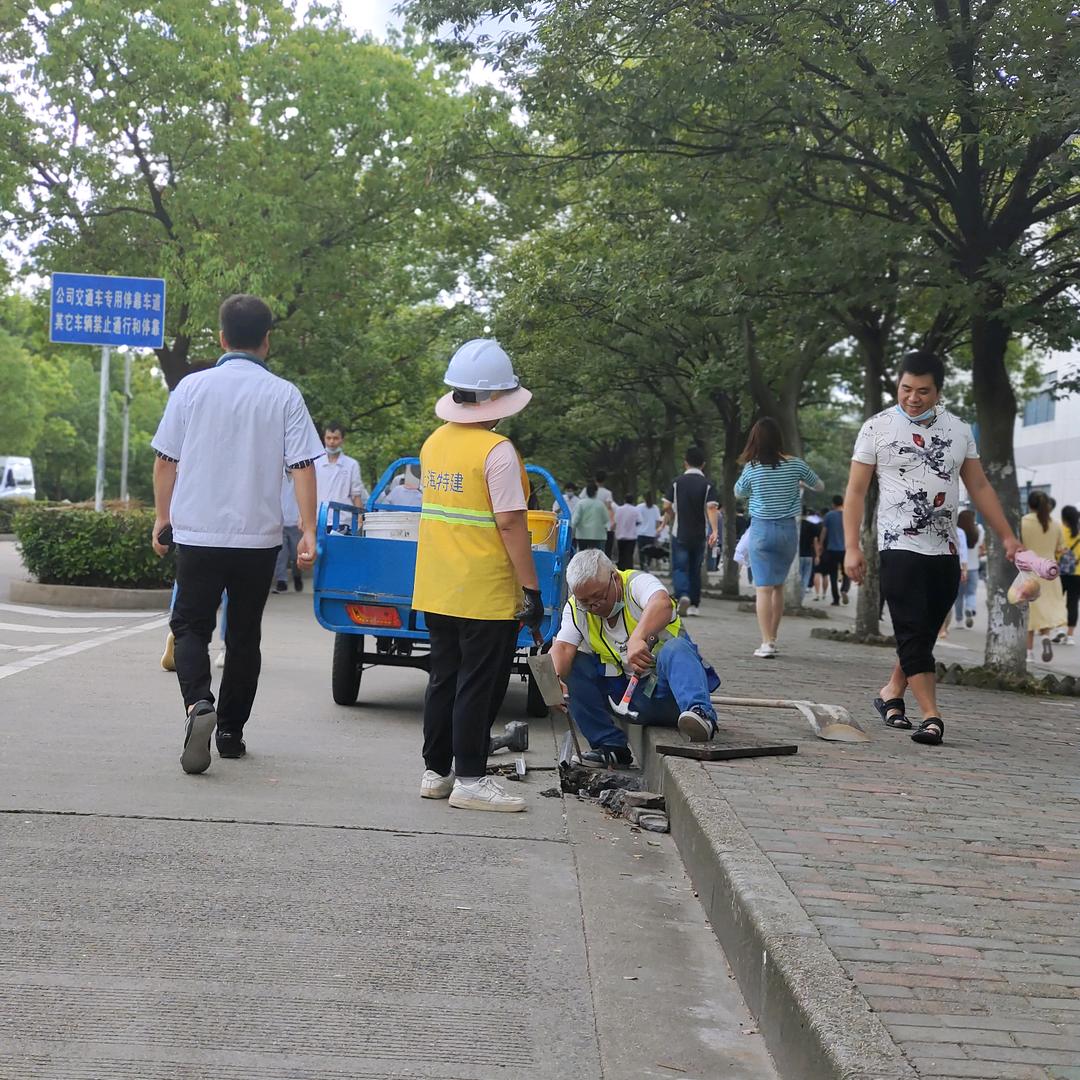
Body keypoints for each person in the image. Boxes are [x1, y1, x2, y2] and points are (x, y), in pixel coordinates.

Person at [152, 294, 323, 774]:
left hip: (198, 534)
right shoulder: (284, 394)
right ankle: (230, 732)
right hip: (258, 539)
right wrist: (308, 530)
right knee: (244, 636)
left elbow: (166, 459)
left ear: (222, 337)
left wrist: (161, 518)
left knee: (190, 627)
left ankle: (198, 705)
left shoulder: (190, 389)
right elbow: (303, 466)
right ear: (267, 340)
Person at [844, 350, 1022, 747]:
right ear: (898, 385)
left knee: (922, 631)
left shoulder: (959, 430)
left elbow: (979, 487)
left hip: (944, 548)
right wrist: (852, 547)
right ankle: (932, 716)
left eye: (923, 391)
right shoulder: (877, 427)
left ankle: (892, 692)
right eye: (906, 388)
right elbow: (856, 491)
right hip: (897, 543)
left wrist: (1007, 536)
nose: (913, 397)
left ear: (938, 391)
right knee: (910, 628)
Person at [411, 339, 543, 813]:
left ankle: (437, 771)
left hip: (436, 585)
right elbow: (511, 523)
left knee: (443, 677)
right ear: (492, 399)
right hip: (484, 590)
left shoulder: (433, 443)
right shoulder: (498, 451)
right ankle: (470, 776)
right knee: (478, 682)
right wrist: (531, 590)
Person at [550, 549, 720, 767]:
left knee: (675, 648)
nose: (594, 606)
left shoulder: (636, 583)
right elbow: (563, 647)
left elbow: (662, 603)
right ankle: (611, 748)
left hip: (669, 694)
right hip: (626, 695)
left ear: (615, 578)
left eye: (599, 597)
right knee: (573, 665)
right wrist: (554, 679)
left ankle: (701, 716)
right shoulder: (576, 609)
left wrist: (638, 637)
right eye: (586, 601)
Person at [734, 418, 824, 658]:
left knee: (763, 589)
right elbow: (821, 486)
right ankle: (773, 638)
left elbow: (738, 491)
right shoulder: (796, 464)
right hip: (787, 532)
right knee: (778, 586)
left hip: (761, 531)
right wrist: (800, 483)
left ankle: (765, 643)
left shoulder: (752, 467)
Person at [663, 447, 720, 617]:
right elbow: (711, 507)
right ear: (703, 464)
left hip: (679, 532)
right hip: (699, 534)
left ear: (685, 463)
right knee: (695, 568)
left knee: (680, 568)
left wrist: (672, 515)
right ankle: (694, 604)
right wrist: (715, 530)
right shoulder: (708, 485)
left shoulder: (676, 482)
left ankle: (683, 595)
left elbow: (666, 505)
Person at [1020, 492, 1067, 664]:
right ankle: (1046, 637)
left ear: (1029, 504)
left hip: (1029, 570)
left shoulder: (1023, 522)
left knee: (1030, 611)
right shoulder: (1055, 524)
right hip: (1050, 572)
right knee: (1045, 607)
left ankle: (1029, 653)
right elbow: (1062, 549)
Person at [315, 423, 368, 516]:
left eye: (335, 438)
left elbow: (356, 494)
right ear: (324, 438)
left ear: (342, 439)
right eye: (328, 438)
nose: (331, 442)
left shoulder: (352, 464)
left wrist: (360, 519)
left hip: (344, 519)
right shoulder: (315, 464)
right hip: (319, 518)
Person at [273, 467, 304, 594]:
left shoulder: (302, 475)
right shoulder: (277, 474)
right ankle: (282, 581)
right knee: (281, 554)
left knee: (296, 554)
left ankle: (297, 575)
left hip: (296, 522)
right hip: (280, 522)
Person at [952, 509, 983, 629]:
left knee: (959, 596)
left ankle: (959, 621)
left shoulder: (956, 531)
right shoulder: (979, 530)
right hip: (974, 568)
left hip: (959, 567)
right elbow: (981, 547)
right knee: (971, 592)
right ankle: (970, 608)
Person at [821, 495, 850, 605]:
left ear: (833, 504)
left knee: (833, 575)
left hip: (831, 549)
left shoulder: (829, 515)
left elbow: (824, 532)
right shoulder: (848, 515)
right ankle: (844, 589)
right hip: (845, 549)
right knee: (847, 572)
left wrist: (820, 544)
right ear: (842, 503)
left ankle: (836, 599)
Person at [1059, 504, 1080, 646]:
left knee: (1056, 602)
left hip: (1059, 573)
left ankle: (1057, 629)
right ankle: (1070, 636)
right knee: (1073, 603)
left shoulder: (1059, 531)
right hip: (1077, 574)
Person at [571, 482, 610, 551]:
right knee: (597, 557)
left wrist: (572, 531)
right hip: (598, 535)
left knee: (583, 556)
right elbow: (606, 520)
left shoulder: (581, 504)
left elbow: (575, 520)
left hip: (582, 535)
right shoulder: (601, 504)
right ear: (596, 492)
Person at [799, 507, 823, 601]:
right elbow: (815, 541)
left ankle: (797, 594)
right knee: (806, 577)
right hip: (809, 555)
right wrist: (817, 555)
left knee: (799, 576)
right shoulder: (811, 525)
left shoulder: (796, 525)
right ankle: (801, 596)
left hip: (797, 556)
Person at [613, 494, 641, 570]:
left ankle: (621, 572)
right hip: (631, 537)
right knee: (629, 556)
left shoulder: (619, 509)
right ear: (633, 501)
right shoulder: (635, 510)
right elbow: (639, 521)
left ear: (624, 500)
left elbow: (615, 521)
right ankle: (629, 572)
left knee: (621, 556)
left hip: (620, 536)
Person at [636, 492, 662, 567]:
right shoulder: (655, 508)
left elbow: (636, 520)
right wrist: (657, 532)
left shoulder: (639, 507)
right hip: (651, 534)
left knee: (641, 551)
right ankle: (647, 564)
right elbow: (657, 521)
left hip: (640, 533)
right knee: (650, 551)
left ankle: (642, 565)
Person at [594, 471, 617, 556]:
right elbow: (609, 508)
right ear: (604, 481)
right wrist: (612, 521)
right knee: (602, 546)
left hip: (589, 522)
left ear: (595, 480)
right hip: (603, 523)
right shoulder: (607, 493)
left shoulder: (588, 491)